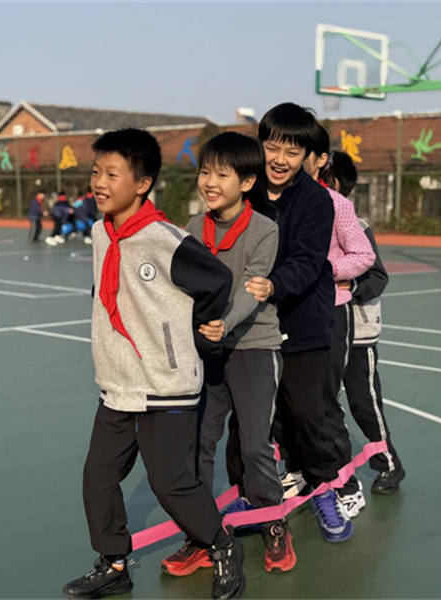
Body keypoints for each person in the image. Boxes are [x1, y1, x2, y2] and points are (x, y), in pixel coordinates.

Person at [63, 128, 245, 600]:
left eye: (112, 174)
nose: (99, 182)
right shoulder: (101, 231)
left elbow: (217, 281)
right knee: (98, 476)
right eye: (96, 172)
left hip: (166, 385)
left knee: (171, 484)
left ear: (142, 183)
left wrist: (189, 331)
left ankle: (222, 545)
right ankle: (113, 563)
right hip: (118, 383)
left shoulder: (165, 239)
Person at [160, 131, 294, 577]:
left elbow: (253, 289)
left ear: (248, 182)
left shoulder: (265, 230)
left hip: (254, 347)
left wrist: (223, 322)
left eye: (221, 175)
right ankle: (202, 536)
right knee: (199, 444)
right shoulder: (193, 227)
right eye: (204, 173)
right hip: (208, 352)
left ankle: (273, 523)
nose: (209, 183)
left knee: (255, 445)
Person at [243, 103, 353, 543]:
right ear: (261, 146)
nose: (280, 159)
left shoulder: (316, 200)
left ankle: (325, 489)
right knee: (251, 420)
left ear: (308, 155)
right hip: (250, 324)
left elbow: (308, 262)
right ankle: (253, 497)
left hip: (303, 320)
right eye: (273, 148)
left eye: (292, 151)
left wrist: (272, 285)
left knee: (308, 412)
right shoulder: (246, 189)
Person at [322, 152, 406, 495]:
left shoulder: (357, 226)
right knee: (324, 402)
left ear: (334, 183)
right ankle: (332, 468)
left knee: (364, 403)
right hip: (328, 331)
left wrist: (352, 285)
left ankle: (389, 464)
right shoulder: (312, 221)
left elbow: (378, 277)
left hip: (358, 334)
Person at [303, 130, 376, 518]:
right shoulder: (271, 202)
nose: (283, 159)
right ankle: (304, 472)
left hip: (331, 311)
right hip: (287, 314)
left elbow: (364, 256)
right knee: (291, 402)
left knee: (325, 400)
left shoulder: (336, 205)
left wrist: (322, 269)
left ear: (318, 161)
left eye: (295, 151)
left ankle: (345, 481)